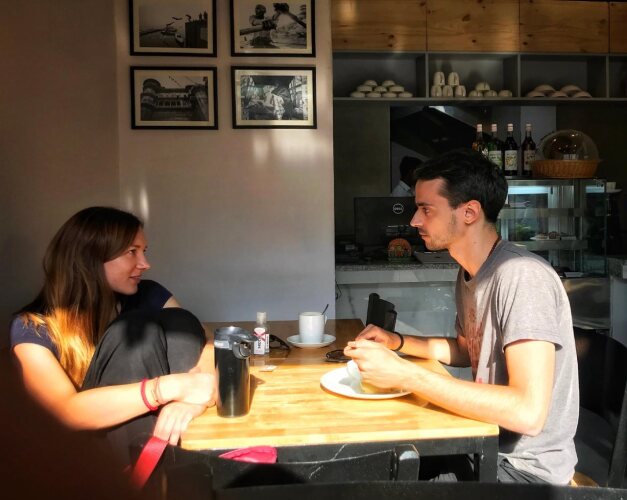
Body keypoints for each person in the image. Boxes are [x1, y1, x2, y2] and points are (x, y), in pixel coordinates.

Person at [345, 149, 579, 484]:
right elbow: (467, 350)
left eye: (426, 209)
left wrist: (406, 374)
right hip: (480, 441)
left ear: (469, 212)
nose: (414, 221)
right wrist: (397, 342)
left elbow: (527, 413)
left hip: (522, 471)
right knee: (373, 465)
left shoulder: (522, 276)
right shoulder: (471, 271)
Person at [9, 206, 216, 466]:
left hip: (163, 431)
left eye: (144, 251)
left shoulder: (147, 293)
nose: (145, 263)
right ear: (91, 258)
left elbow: (206, 340)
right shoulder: (32, 327)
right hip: (92, 457)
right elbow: (64, 412)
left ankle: (178, 466)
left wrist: (194, 398)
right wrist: (170, 388)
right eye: (132, 252)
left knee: (180, 321)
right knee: (133, 329)